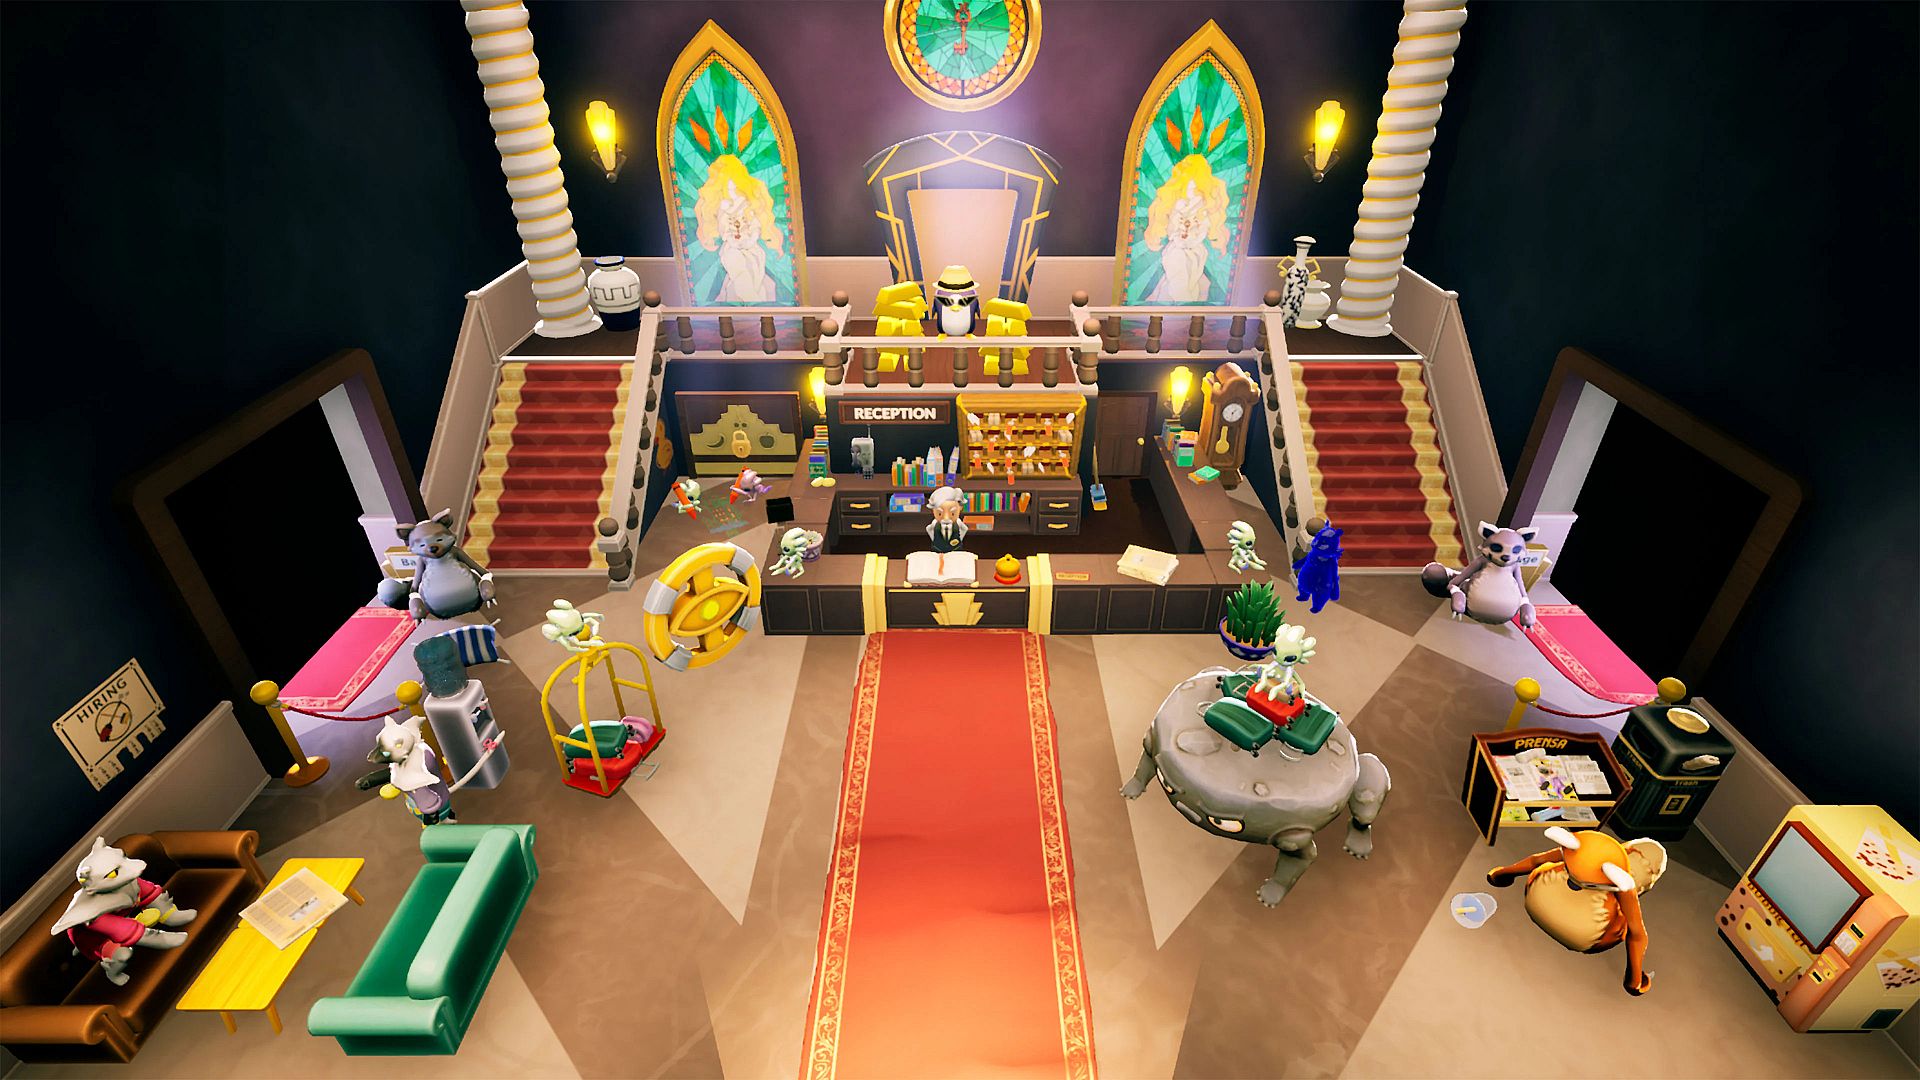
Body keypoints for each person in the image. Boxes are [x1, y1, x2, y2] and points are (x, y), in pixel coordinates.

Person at [926, 486, 968, 553]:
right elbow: (928, 528)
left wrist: (960, 539)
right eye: (940, 513)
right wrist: (934, 540)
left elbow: (965, 529)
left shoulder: (958, 522)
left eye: (952, 513)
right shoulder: (934, 523)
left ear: (960, 508)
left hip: (956, 550)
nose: (946, 518)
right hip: (937, 550)